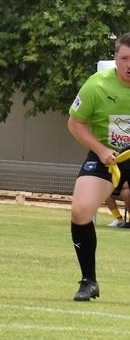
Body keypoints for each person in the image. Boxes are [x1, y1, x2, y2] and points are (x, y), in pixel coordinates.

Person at [67, 32, 130, 301]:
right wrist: (101, 149)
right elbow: (75, 123)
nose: (129, 65)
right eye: (124, 58)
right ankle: (88, 281)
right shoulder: (97, 85)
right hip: (108, 158)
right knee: (80, 210)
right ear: (115, 59)